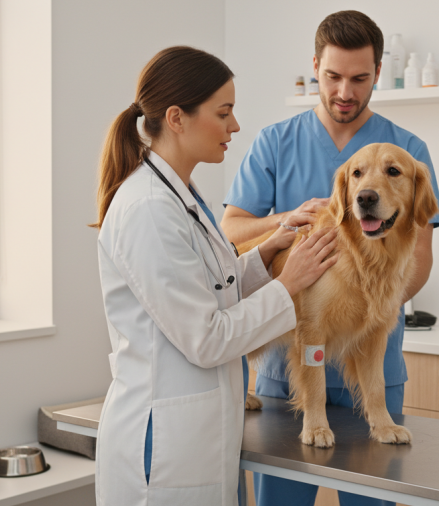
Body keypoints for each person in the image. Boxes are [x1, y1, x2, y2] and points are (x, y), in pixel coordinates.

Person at [93, 46, 339, 506]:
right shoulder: (148, 209)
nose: (235, 126)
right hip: (163, 447)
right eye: (223, 112)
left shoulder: (178, 194)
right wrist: (290, 284)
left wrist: (268, 252)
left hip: (196, 435)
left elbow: (212, 289)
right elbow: (206, 338)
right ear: (176, 118)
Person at [221, 10, 439, 506]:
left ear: (378, 74)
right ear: (316, 66)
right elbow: (230, 230)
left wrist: (376, 303)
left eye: (360, 78)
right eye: (333, 76)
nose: (345, 91)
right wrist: (287, 219)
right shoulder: (275, 142)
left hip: (376, 363)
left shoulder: (410, 149)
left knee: (372, 498)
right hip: (291, 371)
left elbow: (422, 254)